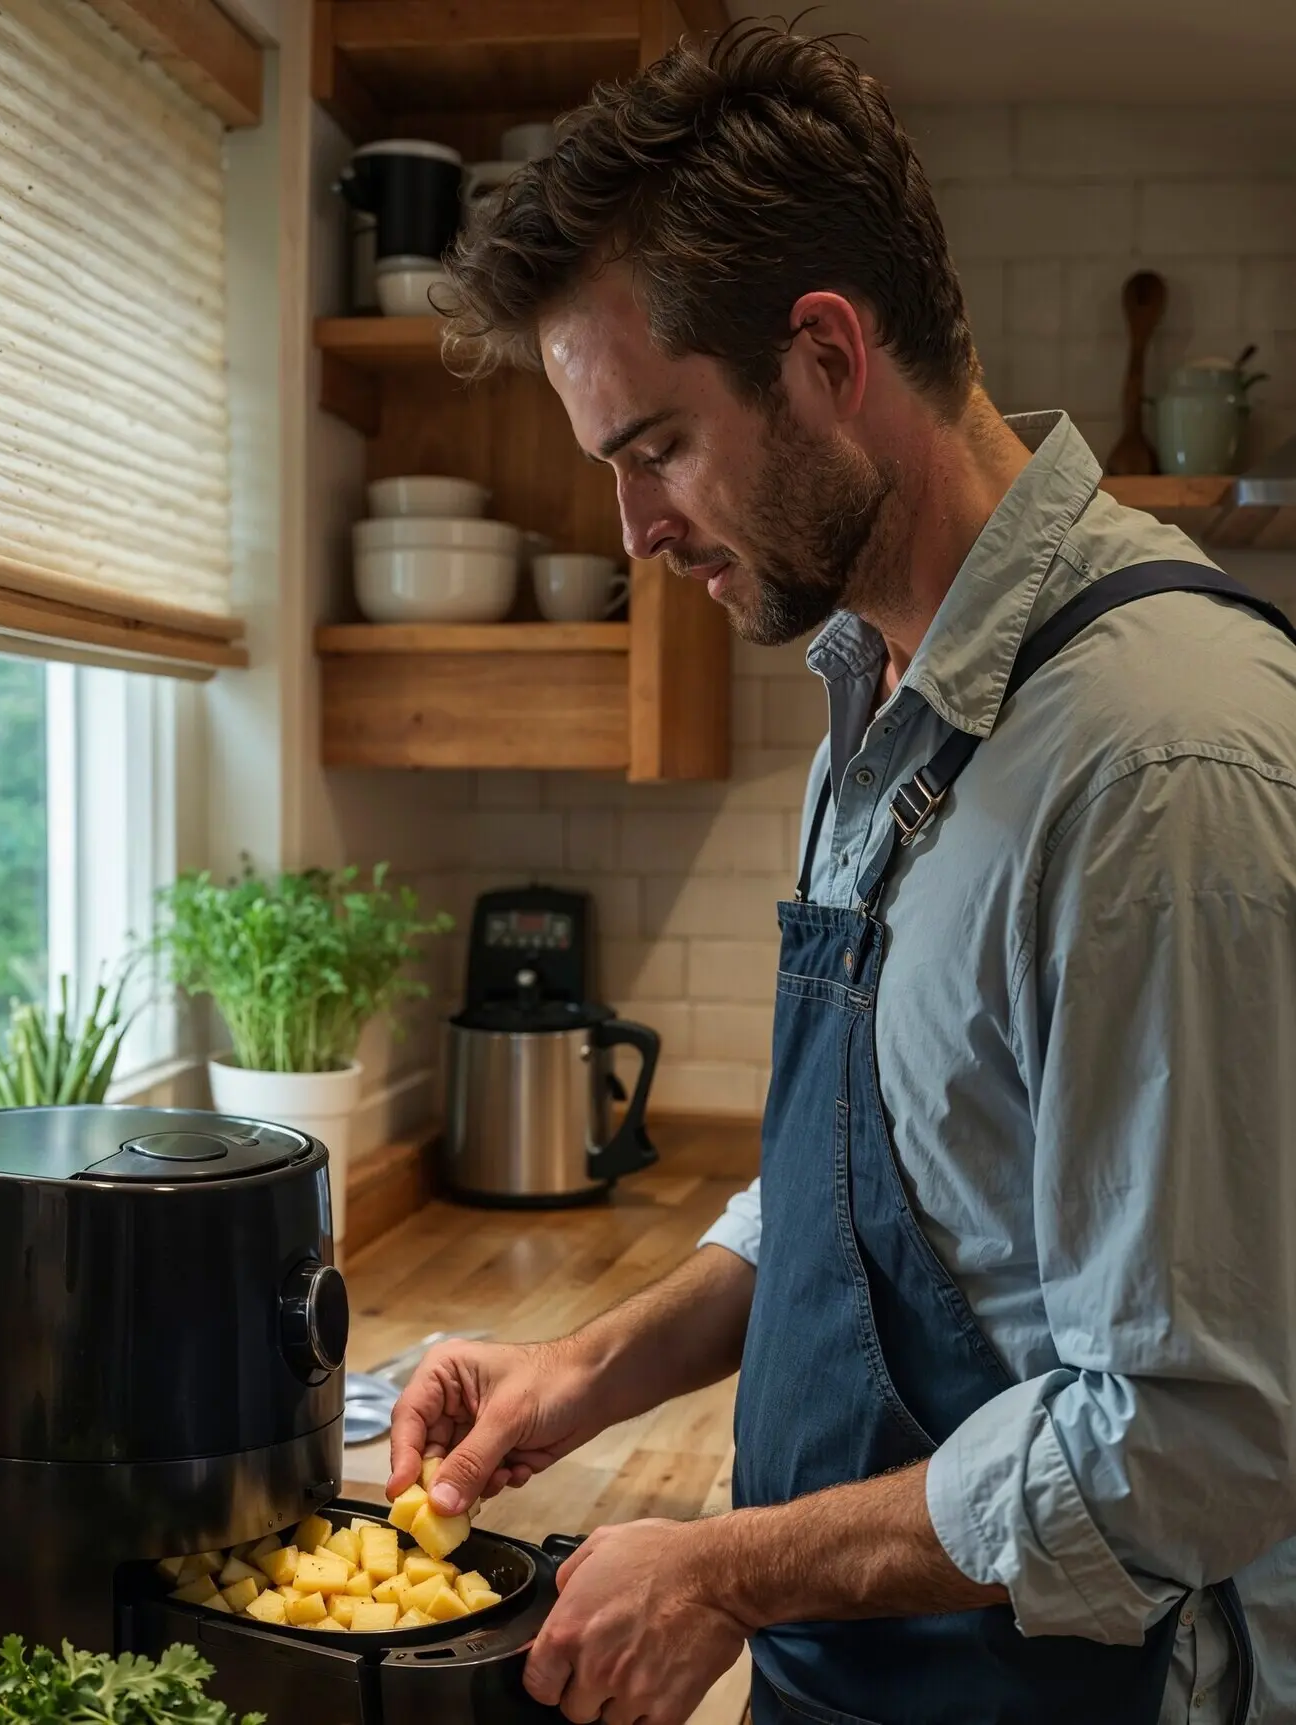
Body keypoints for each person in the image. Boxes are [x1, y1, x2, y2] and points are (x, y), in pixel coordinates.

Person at [386, 23, 1296, 1725]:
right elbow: (867, 1194)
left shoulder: (1159, 766)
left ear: (822, 354)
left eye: (655, 449)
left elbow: (1191, 1444)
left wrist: (727, 1570)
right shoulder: (876, 700)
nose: (635, 533)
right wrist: (585, 1368)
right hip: (861, 1674)